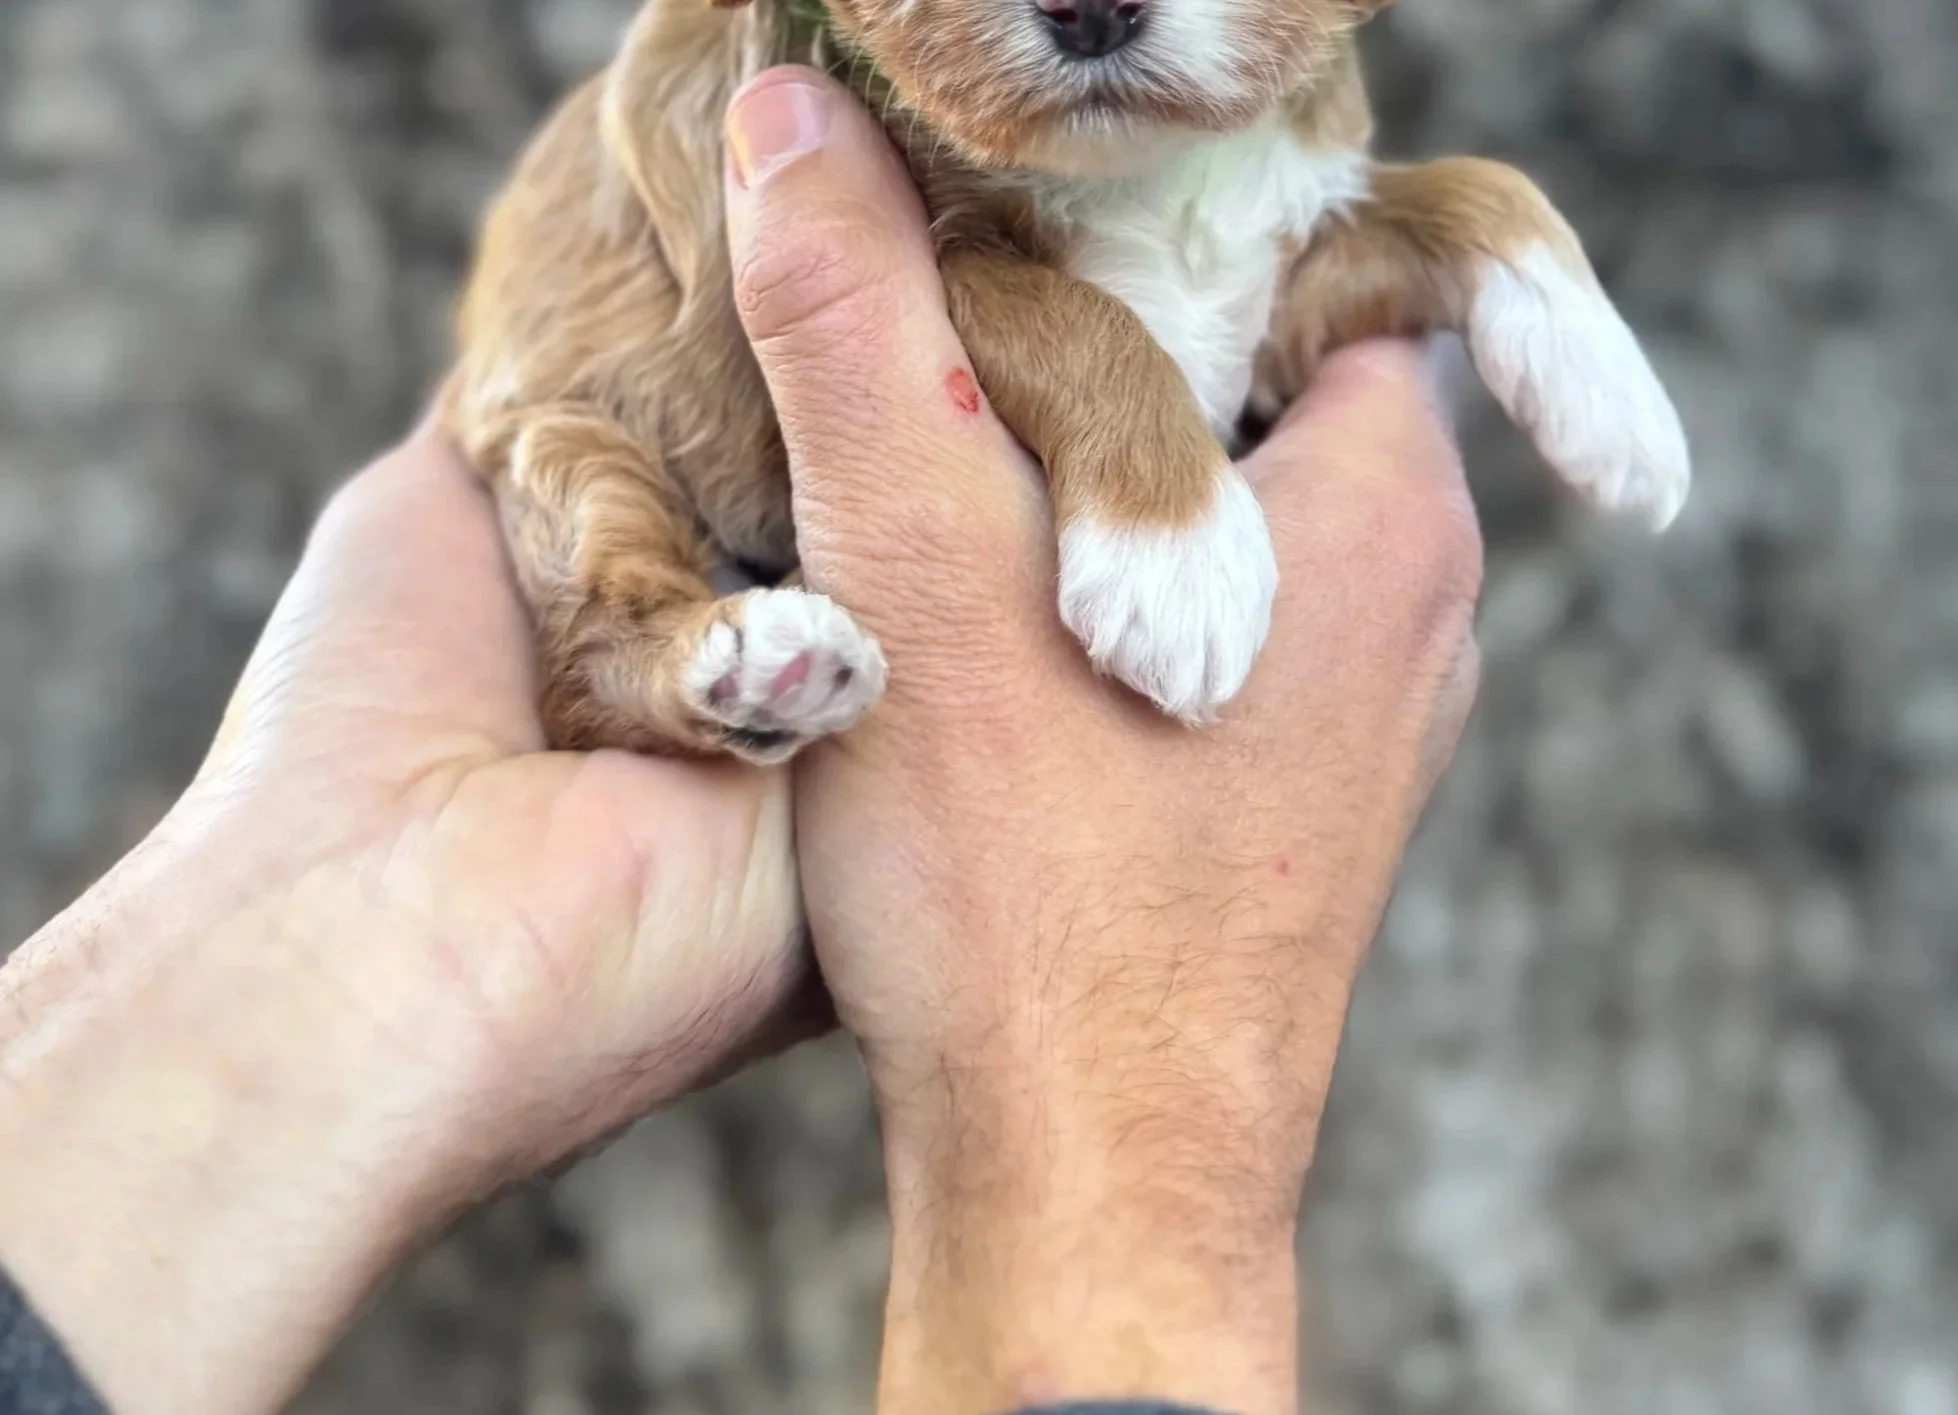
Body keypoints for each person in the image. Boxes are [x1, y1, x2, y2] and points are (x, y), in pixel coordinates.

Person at [0, 69, 1483, 1415]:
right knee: (588, 495)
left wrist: (317, 913)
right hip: (676, 498)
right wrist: (1122, 1045)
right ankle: (658, 647)